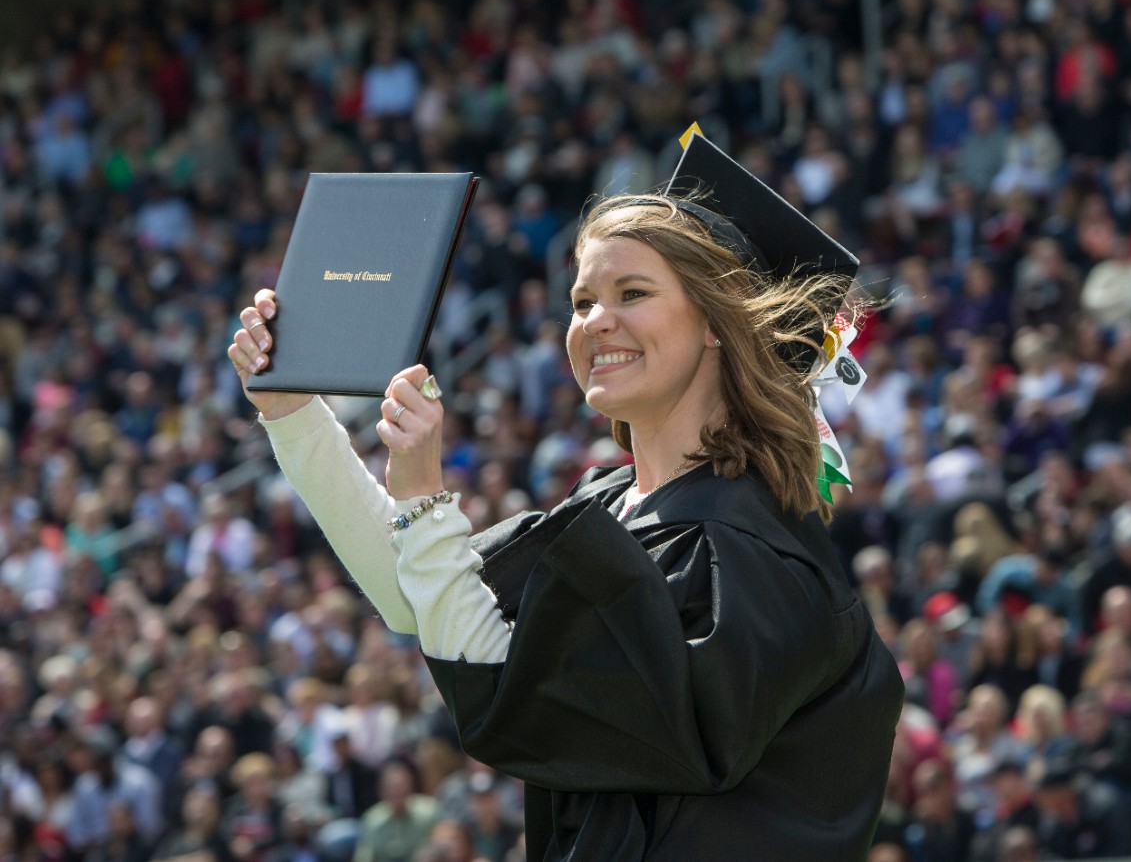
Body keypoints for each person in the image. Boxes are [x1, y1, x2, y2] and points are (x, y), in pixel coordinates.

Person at [227, 132, 904, 860]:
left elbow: (513, 693)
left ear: (716, 322)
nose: (595, 321)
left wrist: (426, 497)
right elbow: (418, 596)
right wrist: (292, 411)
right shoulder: (612, 504)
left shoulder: (750, 549)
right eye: (582, 300)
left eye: (632, 293)